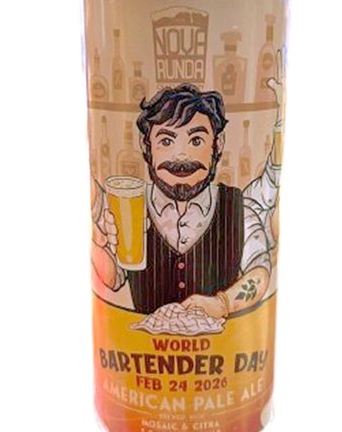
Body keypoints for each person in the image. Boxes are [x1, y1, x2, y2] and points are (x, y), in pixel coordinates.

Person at [92, 81, 282, 318]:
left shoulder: (238, 209)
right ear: (146, 145)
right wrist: (97, 243)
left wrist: (223, 304)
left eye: (196, 141)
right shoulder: (131, 206)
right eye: (166, 141)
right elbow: (113, 278)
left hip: (224, 341)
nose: (181, 156)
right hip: (139, 340)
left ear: (217, 144)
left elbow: (259, 271)